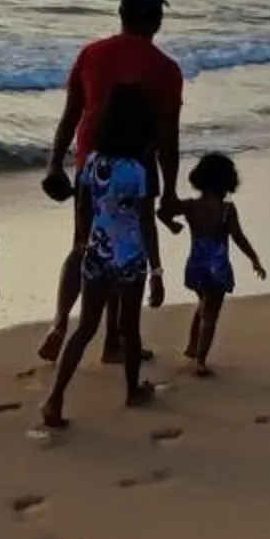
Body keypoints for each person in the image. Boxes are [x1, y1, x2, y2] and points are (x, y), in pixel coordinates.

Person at [38, 0, 184, 365]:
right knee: (126, 253)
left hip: (92, 167)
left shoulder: (91, 55)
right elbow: (169, 139)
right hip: (137, 170)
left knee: (83, 245)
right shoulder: (166, 70)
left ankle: (58, 323)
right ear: (156, 18)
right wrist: (169, 191)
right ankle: (115, 341)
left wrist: (55, 165)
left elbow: (70, 118)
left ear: (121, 13)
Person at [40, 88, 165, 429]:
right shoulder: (138, 171)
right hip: (130, 257)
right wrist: (156, 269)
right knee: (130, 328)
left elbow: (82, 204)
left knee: (85, 329)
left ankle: (55, 397)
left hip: (96, 252)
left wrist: (82, 240)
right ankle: (132, 390)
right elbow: (145, 220)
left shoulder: (93, 162)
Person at [176, 152, 265, 377]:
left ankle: (191, 346)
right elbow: (238, 237)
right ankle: (200, 360)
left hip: (195, 264)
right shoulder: (227, 210)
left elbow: (161, 211)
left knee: (203, 304)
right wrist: (254, 259)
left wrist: (170, 225)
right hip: (217, 267)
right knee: (210, 315)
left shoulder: (190, 206)